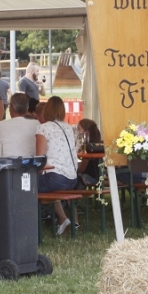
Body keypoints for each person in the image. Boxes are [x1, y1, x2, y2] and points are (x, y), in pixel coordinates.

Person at [35, 96, 78, 235]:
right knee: (50, 186)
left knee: (28, 185)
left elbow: (40, 159)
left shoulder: (43, 128)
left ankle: (61, 219)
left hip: (55, 178)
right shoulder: (68, 127)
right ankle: (70, 220)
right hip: (72, 178)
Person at [76, 119, 103, 187]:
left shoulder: (88, 147)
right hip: (98, 175)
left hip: (90, 177)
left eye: (79, 129)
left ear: (86, 132)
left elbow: (82, 168)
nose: (77, 132)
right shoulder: (97, 144)